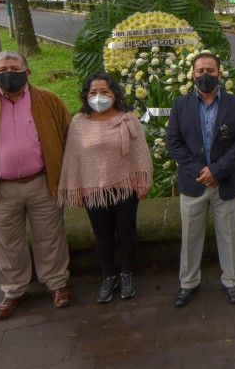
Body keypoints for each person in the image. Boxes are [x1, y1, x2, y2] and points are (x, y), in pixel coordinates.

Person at [0, 50, 72, 320]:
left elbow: (69, 137)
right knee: (7, 243)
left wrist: (69, 178)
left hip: (43, 183)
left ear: (27, 72)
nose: (9, 73)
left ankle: (57, 284)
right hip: (0, 188)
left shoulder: (49, 100)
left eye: (14, 68)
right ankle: (14, 291)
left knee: (51, 237)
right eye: (3, 69)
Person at [57, 72, 153, 303]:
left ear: (114, 93)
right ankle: (108, 275)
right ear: (86, 95)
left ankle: (127, 273)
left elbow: (140, 152)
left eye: (104, 92)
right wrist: (76, 188)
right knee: (102, 236)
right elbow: (73, 158)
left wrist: (142, 181)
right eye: (93, 92)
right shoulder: (79, 123)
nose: (98, 96)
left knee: (127, 232)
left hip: (125, 185)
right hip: (94, 190)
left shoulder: (127, 118)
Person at [167, 52, 235, 307]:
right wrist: (201, 170)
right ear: (192, 74)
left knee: (228, 234)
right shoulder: (180, 105)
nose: (205, 75)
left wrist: (217, 170)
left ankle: (232, 281)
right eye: (200, 70)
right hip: (194, 182)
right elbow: (174, 142)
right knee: (190, 235)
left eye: (210, 71)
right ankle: (188, 283)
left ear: (220, 74)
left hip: (225, 181)